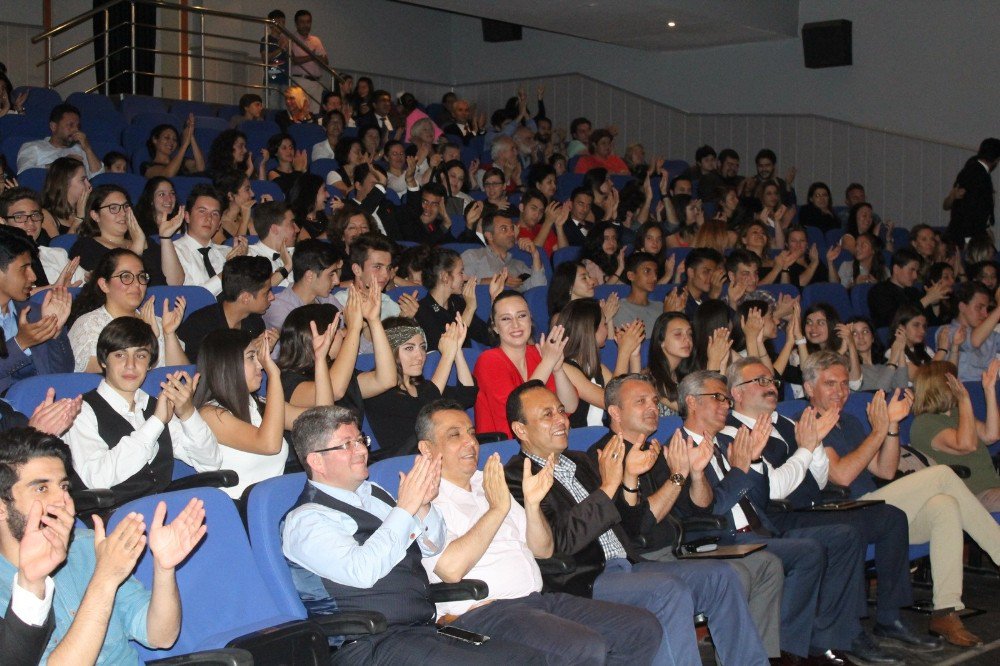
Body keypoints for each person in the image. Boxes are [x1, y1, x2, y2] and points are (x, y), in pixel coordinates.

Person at [503, 381, 769, 666]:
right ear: (521, 430)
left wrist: (629, 481)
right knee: (667, 590)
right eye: (547, 415)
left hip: (629, 562)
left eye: (561, 411)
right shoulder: (518, 478)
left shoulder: (581, 462)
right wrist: (609, 485)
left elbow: (629, 525)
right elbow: (559, 543)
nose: (561, 420)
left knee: (721, 576)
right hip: (586, 579)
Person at [283, 408, 548, 666]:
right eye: (347, 445)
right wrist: (406, 508)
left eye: (360, 440)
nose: (362, 450)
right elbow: (362, 571)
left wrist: (423, 507)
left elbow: (432, 546)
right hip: (370, 643)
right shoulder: (306, 520)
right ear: (316, 460)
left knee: (527, 659)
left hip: (422, 631)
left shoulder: (373, 494)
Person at [414, 399, 662, 664]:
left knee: (641, 628)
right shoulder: (422, 498)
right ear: (427, 448)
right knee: (582, 647)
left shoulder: (487, 481)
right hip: (482, 613)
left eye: (471, 433)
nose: (470, 442)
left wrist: (532, 506)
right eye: (455, 435)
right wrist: (497, 509)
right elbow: (450, 569)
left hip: (537, 602)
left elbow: (543, 549)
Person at [725, 357, 941, 657]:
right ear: (736, 392)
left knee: (891, 517)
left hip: (814, 504)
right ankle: (846, 634)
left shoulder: (786, 423)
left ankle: (889, 617)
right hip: (779, 517)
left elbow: (821, 476)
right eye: (759, 381)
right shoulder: (732, 432)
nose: (770, 386)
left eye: (771, 381)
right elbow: (773, 490)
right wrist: (806, 448)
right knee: (846, 533)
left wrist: (814, 446)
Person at [802, 350, 1000, 647]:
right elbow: (842, 475)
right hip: (842, 512)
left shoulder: (851, 423)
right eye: (830, 384)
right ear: (809, 389)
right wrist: (879, 430)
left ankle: (946, 611)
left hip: (875, 507)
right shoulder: (807, 423)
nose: (840, 392)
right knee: (942, 475)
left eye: (844, 384)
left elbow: (885, 468)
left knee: (944, 507)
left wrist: (891, 428)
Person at [679, 369, 875, 664]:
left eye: (725, 398)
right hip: (722, 538)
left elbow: (759, 499)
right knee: (807, 553)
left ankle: (818, 641)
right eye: (717, 398)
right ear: (692, 403)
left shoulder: (721, 443)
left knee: (844, 535)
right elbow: (710, 509)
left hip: (759, 527)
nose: (725, 404)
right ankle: (784, 652)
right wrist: (739, 470)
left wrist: (754, 460)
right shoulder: (679, 448)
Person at [588, 374, 785, 661]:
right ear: (615, 412)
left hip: (675, 549)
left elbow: (701, 509)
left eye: (655, 400)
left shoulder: (656, 451)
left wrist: (694, 475)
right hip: (641, 559)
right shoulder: (603, 458)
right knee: (729, 575)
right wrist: (678, 476)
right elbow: (637, 527)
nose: (653, 407)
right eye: (640, 401)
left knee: (739, 572)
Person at [0, 427, 206, 663]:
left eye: (64, 487)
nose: (63, 500)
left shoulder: (88, 546)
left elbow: (161, 636)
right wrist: (105, 578)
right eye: (42, 488)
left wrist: (164, 569)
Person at [64, 317, 221, 507]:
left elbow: (210, 463)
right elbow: (97, 478)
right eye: (120, 355)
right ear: (104, 361)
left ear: (150, 364)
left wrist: (188, 413)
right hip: (115, 519)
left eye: (140, 356)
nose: (131, 365)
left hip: (164, 510)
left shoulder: (155, 405)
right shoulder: (81, 411)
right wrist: (155, 423)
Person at [196, 324, 331, 498]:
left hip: (276, 500)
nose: (260, 364)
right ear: (228, 364)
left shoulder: (259, 404)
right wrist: (274, 375)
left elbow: (324, 422)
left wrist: (319, 359)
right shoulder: (210, 414)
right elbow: (269, 444)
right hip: (239, 510)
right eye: (251, 357)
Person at [277, 288, 394, 439]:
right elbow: (334, 391)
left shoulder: (339, 371)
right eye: (338, 329)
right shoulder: (287, 380)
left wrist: (374, 321)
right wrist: (353, 329)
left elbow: (386, 380)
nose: (344, 333)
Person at [366, 317, 477, 459]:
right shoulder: (376, 391)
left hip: (438, 458)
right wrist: (447, 357)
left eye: (423, 347)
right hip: (406, 465)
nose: (420, 356)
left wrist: (456, 351)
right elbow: (422, 409)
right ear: (388, 352)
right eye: (409, 348)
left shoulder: (421, 387)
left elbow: (467, 395)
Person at [472, 291, 578, 437]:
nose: (515, 324)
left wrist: (558, 369)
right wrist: (547, 362)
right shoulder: (488, 360)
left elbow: (570, 405)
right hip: (506, 448)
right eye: (505, 319)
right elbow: (519, 412)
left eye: (522, 316)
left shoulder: (538, 354)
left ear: (530, 319)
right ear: (495, 327)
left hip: (545, 441)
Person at [67, 248, 188, 372]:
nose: (136, 284)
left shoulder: (157, 322)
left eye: (141, 277)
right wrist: (149, 338)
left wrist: (169, 334)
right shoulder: (89, 325)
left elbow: (183, 377)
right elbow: (102, 378)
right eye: (126, 276)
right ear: (104, 285)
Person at [911, 360, 1000, 510]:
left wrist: (989, 390)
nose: (960, 384)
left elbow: (991, 435)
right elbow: (966, 445)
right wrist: (964, 399)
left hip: (992, 487)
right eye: (956, 380)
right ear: (944, 386)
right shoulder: (924, 423)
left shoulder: (957, 413)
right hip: (970, 494)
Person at [0, 227, 74, 394]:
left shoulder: (35, 312)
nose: (33, 277)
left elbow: (62, 375)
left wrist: (54, 334)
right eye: (24, 268)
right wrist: (21, 343)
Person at [70, 184, 185, 287]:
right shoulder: (86, 246)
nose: (123, 213)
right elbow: (120, 285)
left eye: (126, 207)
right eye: (114, 208)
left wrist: (165, 238)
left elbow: (175, 282)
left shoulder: (147, 242)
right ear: (95, 215)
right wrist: (137, 247)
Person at [559, 298, 643, 428]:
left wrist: (634, 355)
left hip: (602, 436)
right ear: (591, 329)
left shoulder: (598, 368)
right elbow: (611, 401)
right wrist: (623, 352)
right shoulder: (565, 368)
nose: (607, 329)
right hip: (581, 440)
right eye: (605, 324)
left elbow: (631, 396)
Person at [177, 255, 271, 362]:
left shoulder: (255, 323)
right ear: (246, 298)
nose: (272, 297)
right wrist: (245, 351)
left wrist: (264, 353)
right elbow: (198, 371)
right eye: (266, 293)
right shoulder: (199, 325)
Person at [0, 188, 85, 288]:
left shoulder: (57, 255)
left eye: (35, 215)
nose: (31, 222)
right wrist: (53, 288)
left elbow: (86, 286)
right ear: (3, 222)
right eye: (19, 216)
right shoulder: (3, 262)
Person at [173, 184, 246, 297]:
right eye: (202, 211)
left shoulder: (228, 252)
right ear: (187, 216)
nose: (209, 218)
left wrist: (242, 263)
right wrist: (229, 270)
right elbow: (194, 297)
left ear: (219, 225)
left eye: (215, 214)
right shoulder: (173, 252)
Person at [415, 247, 495, 350]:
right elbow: (448, 350)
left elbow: (487, 337)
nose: (465, 277)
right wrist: (469, 309)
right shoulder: (422, 311)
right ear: (444, 276)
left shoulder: (457, 302)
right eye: (460, 272)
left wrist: (494, 298)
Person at [461, 209, 547, 293]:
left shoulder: (519, 265)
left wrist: (535, 255)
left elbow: (538, 289)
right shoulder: (473, 256)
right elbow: (461, 285)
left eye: (512, 229)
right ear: (489, 236)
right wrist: (498, 281)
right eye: (504, 229)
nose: (512, 233)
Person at [264, 239, 342, 330]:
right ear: (310, 276)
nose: (337, 281)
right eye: (331, 275)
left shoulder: (327, 299)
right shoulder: (280, 309)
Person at [868, 247, 945, 329]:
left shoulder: (914, 291)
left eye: (916, 271)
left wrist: (934, 303)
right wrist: (927, 299)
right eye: (911, 270)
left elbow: (933, 325)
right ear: (896, 269)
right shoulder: (879, 291)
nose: (915, 276)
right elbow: (894, 320)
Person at [16, 104, 103, 177]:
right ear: (53, 126)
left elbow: (99, 177)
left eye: (78, 126)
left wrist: (88, 149)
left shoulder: (81, 149)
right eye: (70, 125)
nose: (76, 130)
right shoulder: (33, 147)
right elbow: (25, 173)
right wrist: (62, 164)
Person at [943, 281, 1000, 381]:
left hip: (992, 391)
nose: (985, 314)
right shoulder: (946, 332)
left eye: (987, 309)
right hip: (964, 392)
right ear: (962, 307)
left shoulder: (991, 335)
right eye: (979, 307)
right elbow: (975, 341)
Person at [946, 138, 1000, 244]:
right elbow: (972, 210)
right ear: (996, 159)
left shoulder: (970, 168)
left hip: (966, 232)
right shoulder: (979, 175)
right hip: (969, 234)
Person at [248, 200, 300, 289]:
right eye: (292, 223)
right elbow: (259, 291)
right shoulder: (249, 257)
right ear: (274, 229)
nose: (297, 229)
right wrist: (287, 266)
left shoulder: (298, 253)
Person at [40, 156, 91, 237]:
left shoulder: (90, 209)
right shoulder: (45, 215)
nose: (89, 185)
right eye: (82, 180)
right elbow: (59, 249)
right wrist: (79, 219)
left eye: (87, 180)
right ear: (65, 183)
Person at [288, 10, 328, 114]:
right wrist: (313, 56)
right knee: (300, 112)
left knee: (314, 114)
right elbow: (295, 60)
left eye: (308, 22)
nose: (306, 25)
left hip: (316, 82)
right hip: (300, 80)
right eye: (302, 22)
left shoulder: (316, 40)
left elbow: (325, 61)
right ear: (296, 24)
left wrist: (310, 57)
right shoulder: (291, 38)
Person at [260, 10, 289, 110]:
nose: (281, 25)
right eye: (278, 22)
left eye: (283, 22)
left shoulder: (286, 40)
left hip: (285, 80)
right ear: (271, 24)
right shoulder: (266, 39)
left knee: (284, 110)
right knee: (272, 109)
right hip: (272, 80)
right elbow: (265, 59)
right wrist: (280, 48)